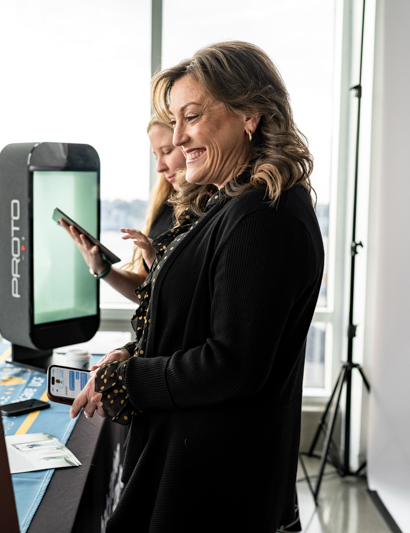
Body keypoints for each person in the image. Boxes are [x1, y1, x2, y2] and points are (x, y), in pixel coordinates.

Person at [70, 41, 325, 532]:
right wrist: (131, 352)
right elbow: (197, 323)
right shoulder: (232, 206)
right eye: (175, 119)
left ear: (249, 114)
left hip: (214, 488)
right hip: (196, 467)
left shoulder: (263, 217)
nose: (179, 136)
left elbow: (231, 365)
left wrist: (128, 380)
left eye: (192, 117)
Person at [60, 116, 186, 304]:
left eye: (167, 151)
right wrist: (102, 269)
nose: (159, 167)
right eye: (155, 156)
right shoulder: (165, 208)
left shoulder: (212, 211)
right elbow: (146, 289)